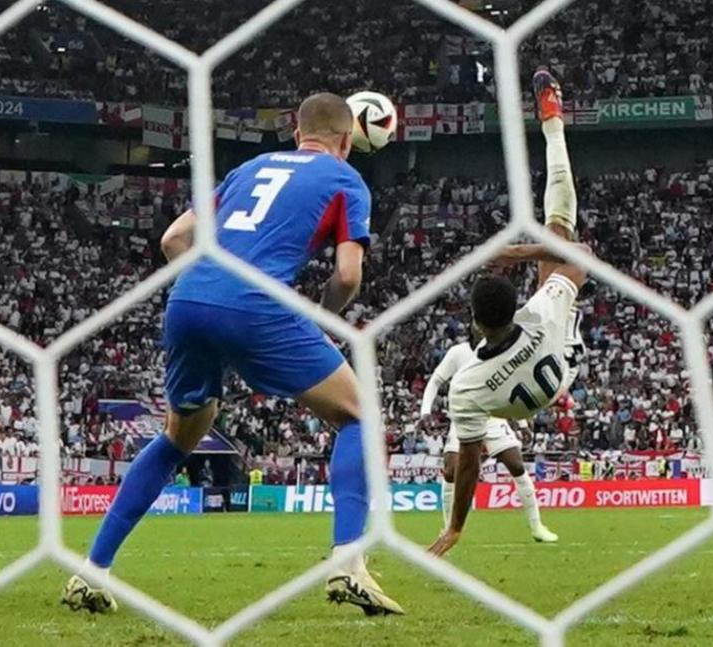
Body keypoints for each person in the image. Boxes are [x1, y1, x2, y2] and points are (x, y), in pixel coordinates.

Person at [63, 93, 404, 616]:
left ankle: (92, 571)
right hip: (256, 304)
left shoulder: (250, 167)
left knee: (179, 438)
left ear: (295, 133)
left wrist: (206, 293)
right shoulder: (344, 180)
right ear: (347, 142)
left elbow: (174, 239)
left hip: (189, 298)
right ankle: (347, 562)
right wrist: (319, 320)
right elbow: (349, 276)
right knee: (359, 416)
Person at [430, 70, 592, 557]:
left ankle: (552, 122)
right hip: (560, 359)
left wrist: (455, 528)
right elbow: (577, 257)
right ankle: (553, 123)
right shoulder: (538, 314)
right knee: (559, 231)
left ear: (477, 323)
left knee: (557, 229)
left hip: (520, 392)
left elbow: (471, 466)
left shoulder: (467, 384)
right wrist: (518, 251)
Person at [417, 335, 558, 542]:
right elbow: (436, 380)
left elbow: (511, 388)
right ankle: (448, 530)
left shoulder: (501, 350)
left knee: (516, 465)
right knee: (450, 471)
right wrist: (425, 411)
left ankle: (537, 527)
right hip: (464, 417)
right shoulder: (458, 352)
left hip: (493, 417)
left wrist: (522, 423)